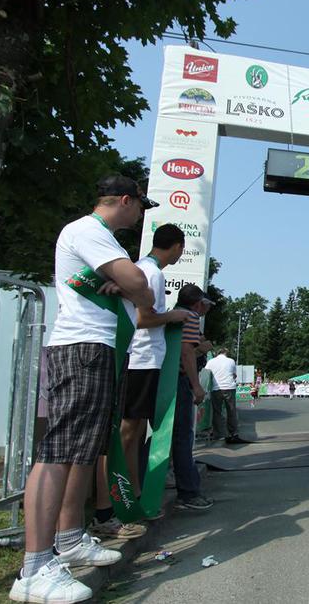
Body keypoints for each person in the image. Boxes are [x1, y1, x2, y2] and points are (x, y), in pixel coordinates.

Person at [10, 176, 157, 603]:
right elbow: (140, 286)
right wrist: (129, 285)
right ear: (126, 200)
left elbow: (140, 292)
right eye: (140, 206)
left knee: (82, 452)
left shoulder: (96, 236)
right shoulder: (89, 231)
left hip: (95, 349)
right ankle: (35, 567)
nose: (140, 214)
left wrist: (130, 287)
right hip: (81, 349)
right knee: (59, 453)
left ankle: (70, 539)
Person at [88, 223, 189, 540]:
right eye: (181, 249)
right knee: (126, 434)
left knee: (134, 432)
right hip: (141, 359)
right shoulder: (152, 273)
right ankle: (110, 508)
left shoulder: (144, 269)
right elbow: (144, 319)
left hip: (143, 359)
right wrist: (172, 317)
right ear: (177, 247)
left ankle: (132, 498)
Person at [172, 284, 215, 509]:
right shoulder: (189, 317)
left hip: (167, 378)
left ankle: (180, 483)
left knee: (174, 435)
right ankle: (188, 492)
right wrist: (196, 386)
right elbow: (186, 351)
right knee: (183, 435)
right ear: (199, 304)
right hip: (178, 380)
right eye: (206, 306)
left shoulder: (175, 313)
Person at [206, 348, 250, 444]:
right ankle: (233, 433)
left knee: (217, 412)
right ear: (226, 353)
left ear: (217, 353)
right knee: (231, 411)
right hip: (229, 387)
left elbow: (206, 374)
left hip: (216, 388)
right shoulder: (231, 361)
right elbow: (234, 375)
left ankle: (219, 434)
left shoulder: (211, 361)